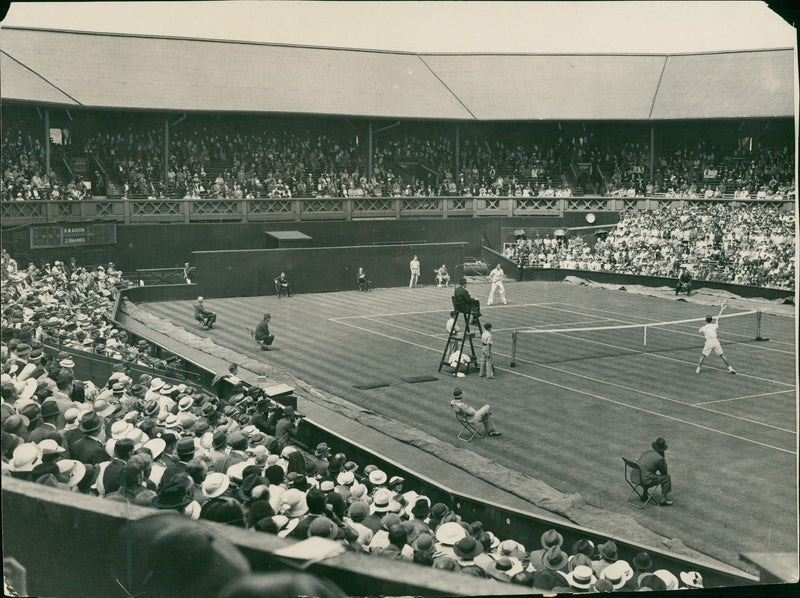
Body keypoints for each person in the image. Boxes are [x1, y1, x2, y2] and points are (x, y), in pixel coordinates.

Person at [636, 437, 673, 506]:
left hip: (636, 477)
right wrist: (663, 459)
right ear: (662, 449)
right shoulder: (660, 458)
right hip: (646, 481)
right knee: (667, 478)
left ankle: (644, 495)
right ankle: (663, 500)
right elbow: (664, 472)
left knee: (647, 472)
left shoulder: (647, 452)